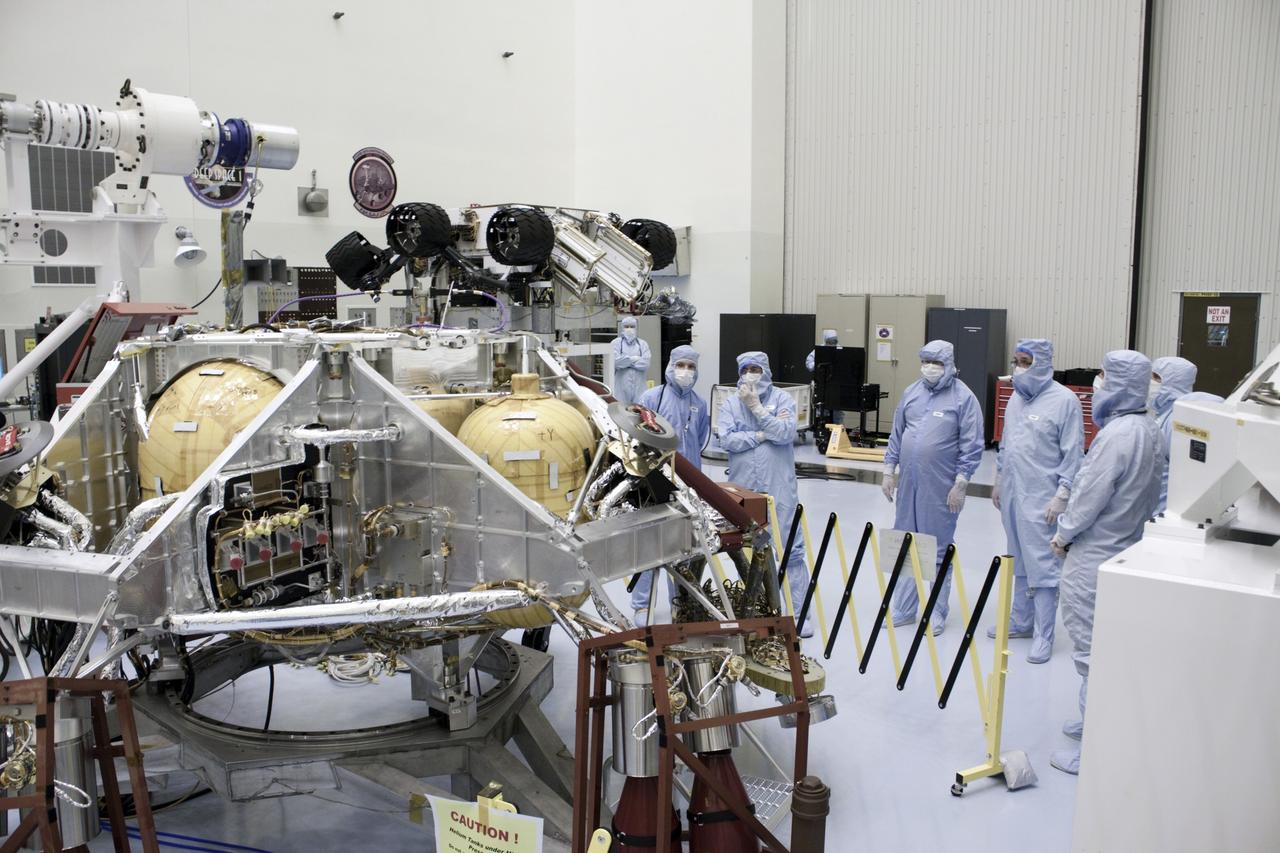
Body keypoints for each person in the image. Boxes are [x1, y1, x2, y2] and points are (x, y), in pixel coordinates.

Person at [1049, 350, 1162, 775]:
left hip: (1094, 552)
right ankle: (1092, 724)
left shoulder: (1116, 436)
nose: (1097, 384)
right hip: (1124, 545)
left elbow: (1090, 495)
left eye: (1103, 375)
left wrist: (1063, 534)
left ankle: (1094, 750)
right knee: (1103, 648)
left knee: (1091, 653)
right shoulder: (1146, 428)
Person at [986, 340, 1084, 663]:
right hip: (1014, 494)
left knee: (1043, 566)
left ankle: (1044, 634)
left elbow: (1073, 452)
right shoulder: (1016, 398)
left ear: (1042, 362)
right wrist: (999, 479)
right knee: (1019, 561)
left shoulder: (1064, 401)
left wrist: (1063, 494)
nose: (1018, 367)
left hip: (1043, 499)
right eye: (1016, 360)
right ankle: (1022, 622)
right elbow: (1007, 443)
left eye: (1025, 361)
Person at [881, 341, 983, 635]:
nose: (929, 367)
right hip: (909, 485)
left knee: (937, 550)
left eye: (935, 362)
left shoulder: (963, 398)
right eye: (925, 360)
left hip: (940, 489)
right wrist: (889, 471)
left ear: (949, 364)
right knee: (906, 543)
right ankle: (904, 608)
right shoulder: (912, 392)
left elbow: (972, 444)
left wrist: (961, 483)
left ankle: (937, 612)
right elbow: (897, 434)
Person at [717, 351, 811, 637]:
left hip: (779, 487)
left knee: (790, 550)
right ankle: (758, 611)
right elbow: (727, 440)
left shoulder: (783, 400)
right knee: (749, 551)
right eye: (745, 369)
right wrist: (759, 435)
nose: (751, 374)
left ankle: (800, 614)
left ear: (766, 370)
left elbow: (784, 433)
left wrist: (757, 409)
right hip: (744, 488)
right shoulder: (731, 403)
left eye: (756, 368)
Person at [632, 345, 711, 622]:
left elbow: (699, 439)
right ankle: (642, 604)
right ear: (670, 366)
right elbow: (638, 436)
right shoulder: (652, 397)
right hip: (656, 479)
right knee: (651, 542)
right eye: (681, 365)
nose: (685, 371)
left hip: (688, 482)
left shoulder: (699, 403)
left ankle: (680, 603)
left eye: (691, 367)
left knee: (684, 545)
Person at [1149, 356, 1209, 513]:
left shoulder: (1179, 419)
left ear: (1173, 382)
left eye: (1156, 377)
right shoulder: (1166, 413)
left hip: (1166, 509)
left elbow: (1182, 475)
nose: (1150, 382)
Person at [611, 316, 651, 404]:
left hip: (639, 388)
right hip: (621, 388)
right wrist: (635, 359)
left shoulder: (643, 344)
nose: (629, 329)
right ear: (622, 327)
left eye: (632, 326)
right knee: (620, 412)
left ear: (636, 327)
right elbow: (615, 363)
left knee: (640, 412)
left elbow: (645, 364)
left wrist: (626, 362)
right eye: (626, 326)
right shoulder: (616, 343)